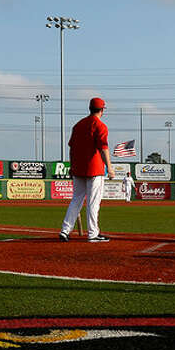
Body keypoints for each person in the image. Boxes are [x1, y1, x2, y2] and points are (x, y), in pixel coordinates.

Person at [59, 97, 115, 242]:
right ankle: (93, 234)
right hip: (94, 169)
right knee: (93, 202)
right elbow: (103, 148)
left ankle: (65, 230)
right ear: (102, 110)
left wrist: (71, 166)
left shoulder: (78, 125)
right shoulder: (100, 126)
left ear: (90, 108)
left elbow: (71, 148)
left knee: (76, 200)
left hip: (78, 168)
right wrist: (109, 166)